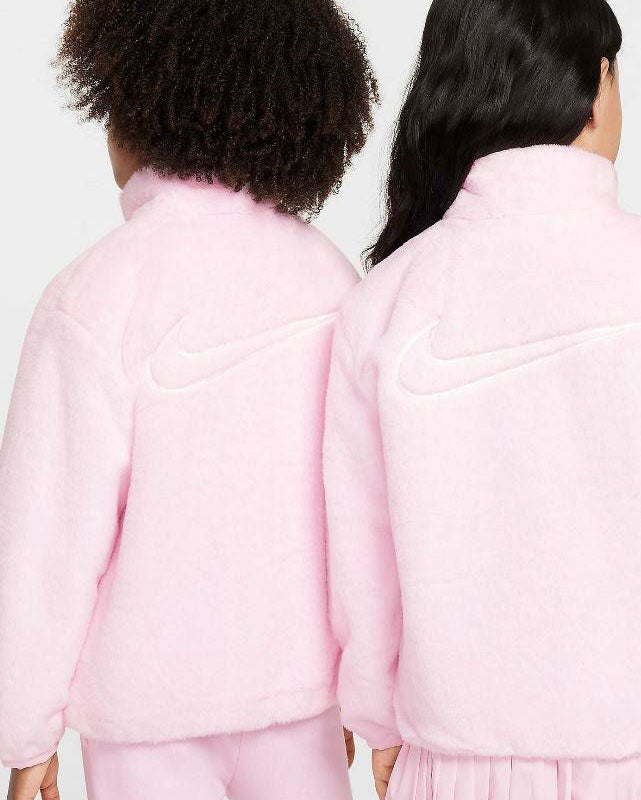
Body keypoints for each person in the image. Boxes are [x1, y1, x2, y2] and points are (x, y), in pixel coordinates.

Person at [323, 1, 641, 799]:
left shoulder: (385, 303)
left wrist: (377, 715)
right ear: (597, 89)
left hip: (453, 758)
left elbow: (362, 549)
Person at [0, 0, 377, 798]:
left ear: (136, 108)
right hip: (303, 696)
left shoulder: (94, 296)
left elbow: (44, 544)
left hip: (145, 717)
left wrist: (24, 729)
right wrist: (367, 690)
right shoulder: (330, 280)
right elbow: (361, 513)